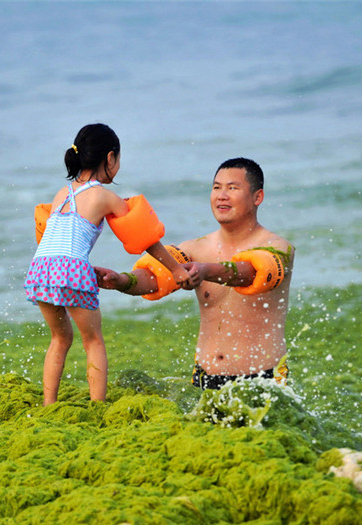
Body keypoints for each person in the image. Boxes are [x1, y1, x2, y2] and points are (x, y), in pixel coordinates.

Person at [24, 124, 196, 405]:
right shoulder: (104, 196)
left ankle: (48, 405)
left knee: (60, 339)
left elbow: (54, 239)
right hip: (71, 268)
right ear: (110, 158)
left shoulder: (60, 194)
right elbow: (144, 237)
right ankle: (97, 406)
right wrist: (176, 269)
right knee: (93, 340)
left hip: (41, 268)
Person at [96, 157, 294, 390]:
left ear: (257, 197)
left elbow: (252, 273)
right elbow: (154, 277)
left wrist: (206, 269)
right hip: (205, 379)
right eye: (216, 187)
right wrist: (121, 281)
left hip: (265, 379)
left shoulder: (279, 248)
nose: (222, 195)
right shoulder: (196, 249)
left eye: (232, 188)